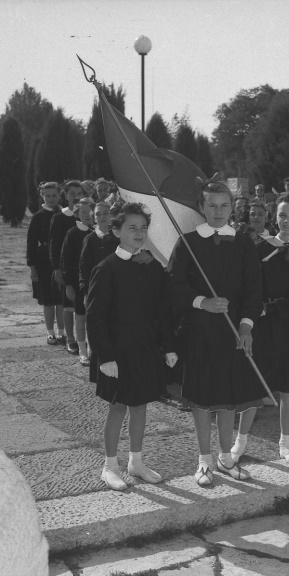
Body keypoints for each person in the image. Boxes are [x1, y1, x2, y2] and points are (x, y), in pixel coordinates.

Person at [167, 178, 264, 487]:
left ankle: (225, 457)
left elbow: (254, 288)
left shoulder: (243, 243)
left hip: (234, 330)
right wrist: (202, 302)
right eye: (212, 205)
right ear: (202, 207)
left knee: (227, 397)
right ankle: (204, 461)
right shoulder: (188, 242)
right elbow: (173, 285)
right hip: (200, 329)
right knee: (201, 398)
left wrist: (246, 325)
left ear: (232, 207)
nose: (218, 211)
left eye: (224, 205)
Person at [87, 202, 177, 491]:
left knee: (141, 405)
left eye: (143, 228)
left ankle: (135, 462)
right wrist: (105, 356)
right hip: (116, 352)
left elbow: (162, 310)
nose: (139, 233)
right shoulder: (106, 268)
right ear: (116, 231)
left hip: (144, 348)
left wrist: (168, 346)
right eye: (132, 228)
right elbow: (95, 316)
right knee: (118, 407)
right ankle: (110, 466)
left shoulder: (152, 267)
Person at [231, 195, 289, 465]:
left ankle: (285, 444)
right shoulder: (260, 248)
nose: (287, 220)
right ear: (275, 217)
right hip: (262, 325)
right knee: (254, 384)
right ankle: (240, 441)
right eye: (282, 215)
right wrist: (251, 314)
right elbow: (251, 285)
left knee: (288, 387)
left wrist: (270, 308)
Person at [26, 182, 65, 344]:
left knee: (61, 299)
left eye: (54, 195)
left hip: (62, 259)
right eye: (47, 195)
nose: (51, 199)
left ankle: (62, 332)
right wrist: (32, 266)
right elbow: (31, 243)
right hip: (43, 260)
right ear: (42, 196)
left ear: (59, 195)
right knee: (47, 299)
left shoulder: (65, 215)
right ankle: (50, 333)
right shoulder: (38, 217)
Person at [49, 180, 83, 353]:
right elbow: (54, 245)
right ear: (66, 195)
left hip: (85, 267)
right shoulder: (59, 217)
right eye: (72, 193)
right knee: (68, 304)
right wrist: (57, 268)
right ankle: (70, 339)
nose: (76, 196)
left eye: (79, 193)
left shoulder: (87, 215)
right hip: (67, 267)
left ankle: (84, 339)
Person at [61, 198, 94, 365]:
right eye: (83, 212)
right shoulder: (72, 234)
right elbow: (65, 260)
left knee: (94, 319)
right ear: (77, 214)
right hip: (77, 282)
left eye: (90, 212)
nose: (87, 215)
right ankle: (83, 351)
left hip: (95, 283)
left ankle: (93, 350)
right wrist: (68, 284)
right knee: (80, 317)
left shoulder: (98, 233)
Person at [79, 201, 120, 300]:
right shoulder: (90, 239)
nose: (102, 217)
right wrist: (86, 292)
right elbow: (84, 266)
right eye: (98, 214)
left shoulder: (120, 236)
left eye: (106, 213)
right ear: (94, 218)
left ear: (111, 215)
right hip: (97, 287)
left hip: (119, 287)